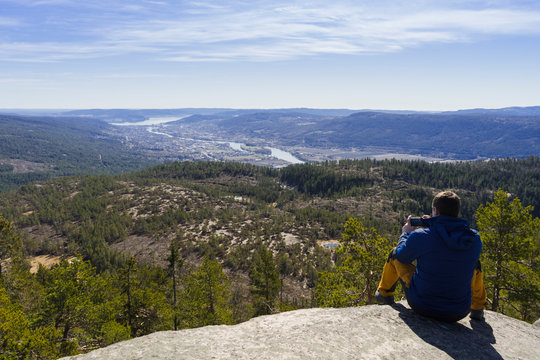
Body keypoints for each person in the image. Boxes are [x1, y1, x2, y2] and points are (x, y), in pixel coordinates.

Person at [375, 191, 486, 322]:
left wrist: (405, 234)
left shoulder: (422, 236)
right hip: (458, 311)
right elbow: (449, 248)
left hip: (422, 306)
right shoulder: (473, 239)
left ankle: (384, 294)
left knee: (395, 253)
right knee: (475, 263)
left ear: (435, 210)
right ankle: (477, 308)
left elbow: (402, 256)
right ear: (457, 211)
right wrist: (434, 224)